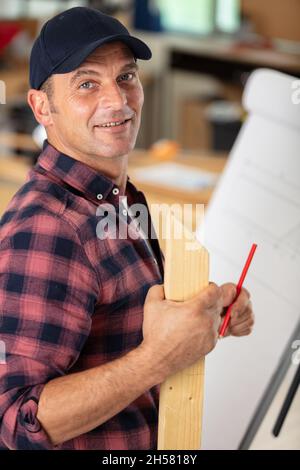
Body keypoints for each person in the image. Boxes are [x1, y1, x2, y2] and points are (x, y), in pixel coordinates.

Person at [0, 7, 254, 450]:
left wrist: (204, 316)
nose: (117, 101)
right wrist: (156, 359)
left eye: (126, 77)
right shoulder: (48, 229)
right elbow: (16, 424)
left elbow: (124, 327)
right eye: (86, 84)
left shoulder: (116, 197)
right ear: (42, 106)